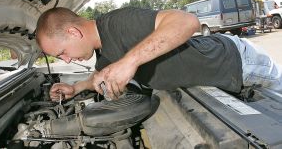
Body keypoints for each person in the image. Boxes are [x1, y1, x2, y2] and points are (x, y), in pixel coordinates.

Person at [36, 7, 282, 101]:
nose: (66, 60)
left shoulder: (118, 23)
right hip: (222, 80)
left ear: (73, 32)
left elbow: (187, 21)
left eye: (62, 52)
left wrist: (129, 62)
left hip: (239, 63)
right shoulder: (104, 56)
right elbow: (100, 76)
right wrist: (76, 88)